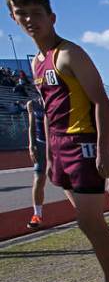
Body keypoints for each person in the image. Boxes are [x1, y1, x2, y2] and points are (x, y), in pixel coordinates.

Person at [10, 0, 109, 282]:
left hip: (84, 143)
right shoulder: (37, 61)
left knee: (89, 220)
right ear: (13, 19)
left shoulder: (69, 54)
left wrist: (104, 149)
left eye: (37, 14)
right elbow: (50, 110)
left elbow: (101, 103)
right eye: (22, 15)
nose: (30, 20)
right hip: (61, 146)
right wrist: (48, 153)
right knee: (85, 219)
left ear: (51, 17)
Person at [25, 91, 47, 229]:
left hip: (57, 144)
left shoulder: (57, 101)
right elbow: (31, 126)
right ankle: (37, 215)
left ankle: (82, 211)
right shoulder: (32, 104)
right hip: (40, 144)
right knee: (39, 179)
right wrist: (31, 144)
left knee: (66, 181)